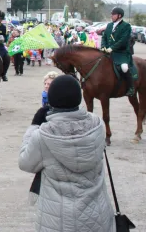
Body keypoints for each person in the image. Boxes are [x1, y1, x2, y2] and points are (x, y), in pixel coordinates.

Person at [19, 75, 115, 232]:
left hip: (58, 220)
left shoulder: (43, 135)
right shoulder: (97, 124)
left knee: (124, 69)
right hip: (98, 215)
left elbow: (24, 162)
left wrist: (34, 126)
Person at [101, 7, 134, 96]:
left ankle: (131, 88)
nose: (111, 16)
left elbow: (123, 40)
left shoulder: (126, 26)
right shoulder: (109, 25)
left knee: (124, 68)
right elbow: (104, 37)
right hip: (108, 51)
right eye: (111, 14)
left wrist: (112, 48)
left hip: (121, 53)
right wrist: (103, 46)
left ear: (119, 16)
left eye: (113, 14)